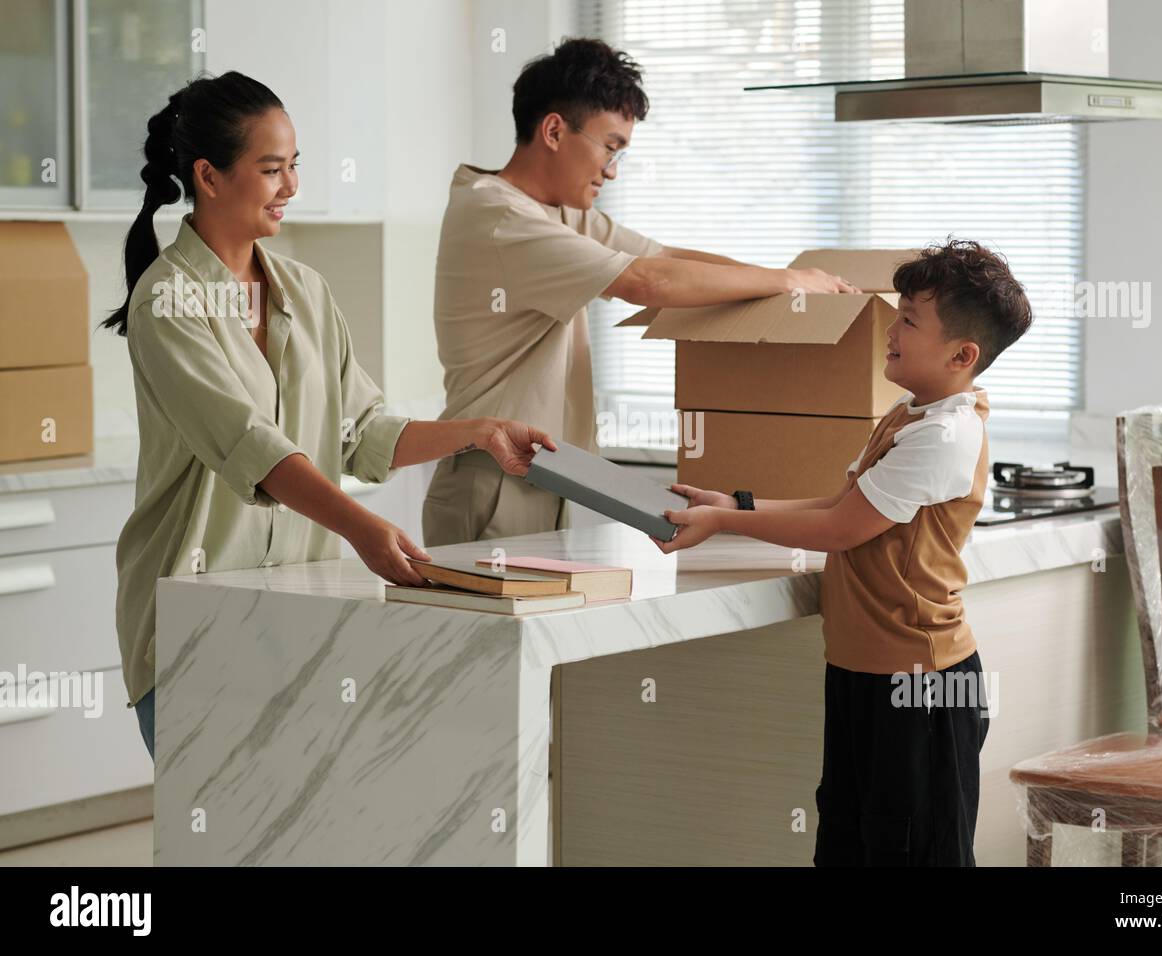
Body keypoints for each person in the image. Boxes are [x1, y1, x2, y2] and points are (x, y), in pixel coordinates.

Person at [102, 72, 554, 761]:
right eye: (272, 169)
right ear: (209, 176)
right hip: (192, 624)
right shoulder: (168, 302)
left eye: (296, 167)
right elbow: (250, 448)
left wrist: (480, 432)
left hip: (295, 619)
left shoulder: (306, 293)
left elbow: (363, 433)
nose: (292, 187)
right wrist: (363, 527)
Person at [654, 239, 1034, 866]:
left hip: (921, 683)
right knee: (848, 846)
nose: (892, 328)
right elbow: (838, 504)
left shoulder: (945, 433)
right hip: (863, 668)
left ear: (962, 354)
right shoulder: (908, 416)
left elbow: (838, 530)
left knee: (913, 854)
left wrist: (723, 519)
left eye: (909, 320)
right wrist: (734, 505)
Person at [424, 37, 859, 546]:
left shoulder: (564, 215)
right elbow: (646, 282)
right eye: (610, 147)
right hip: (491, 482)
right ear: (554, 130)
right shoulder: (499, 217)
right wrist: (790, 281)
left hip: (541, 472)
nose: (611, 171)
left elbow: (664, 259)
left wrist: (791, 280)